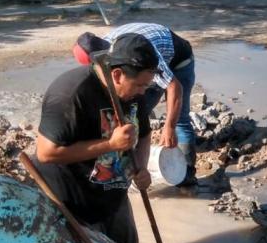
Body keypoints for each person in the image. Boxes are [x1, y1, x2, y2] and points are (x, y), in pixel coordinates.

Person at [35, 33, 159, 243]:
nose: (143, 92)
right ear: (117, 75)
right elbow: (46, 153)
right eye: (140, 85)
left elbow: (144, 135)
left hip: (113, 192)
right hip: (73, 198)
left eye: (146, 86)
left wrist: (140, 168)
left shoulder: (135, 91)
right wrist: (110, 145)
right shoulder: (71, 93)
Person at [74, 23, 198, 186]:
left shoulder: (141, 54)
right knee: (135, 114)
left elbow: (174, 86)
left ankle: (186, 175)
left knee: (179, 121)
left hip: (179, 61)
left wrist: (169, 127)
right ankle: (128, 167)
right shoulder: (105, 52)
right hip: (145, 66)